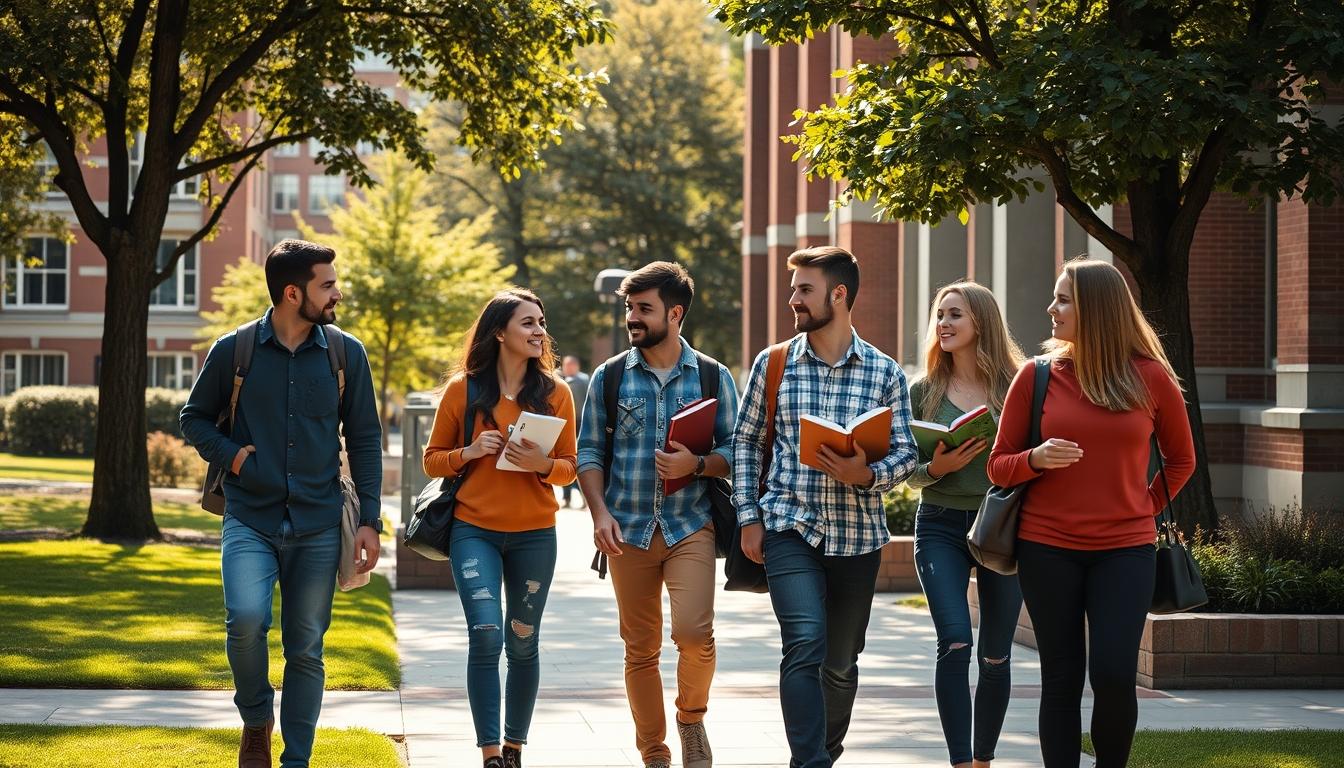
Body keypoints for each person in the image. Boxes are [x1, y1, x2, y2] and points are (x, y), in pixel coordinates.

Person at [180, 239, 383, 768]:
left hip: (318, 523)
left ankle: (296, 760)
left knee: (305, 647)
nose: (338, 293)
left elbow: (363, 438)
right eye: (328, 284)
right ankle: (255, 719)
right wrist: (236, 458)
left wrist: (370, 521)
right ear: (293, 293)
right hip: (250, 516)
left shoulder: (345, 353)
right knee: (245, 619)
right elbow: (193, 418)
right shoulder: (235, 350)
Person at [987, 257, 1195, 768]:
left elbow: (1181, 460)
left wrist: (1139, 507)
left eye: (1063, 299)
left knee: (1114, 673)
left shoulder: (1151, 378)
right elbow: (998, 466)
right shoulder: (1035, 377)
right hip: (1046, 548)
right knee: (1061, 674)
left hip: (1125, 551)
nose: (1050, 308)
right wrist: (1034, 460)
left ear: (1096, 309)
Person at [732, 246, 918, 768]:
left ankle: (823, 753)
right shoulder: (774, 365)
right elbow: (745, 443)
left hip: (858, 536)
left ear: (839, 294)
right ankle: (808, 763)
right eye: (794, 289)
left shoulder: (884, 373)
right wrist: (749, 516)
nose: (793, 298)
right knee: (804, 642)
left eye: (803, 289)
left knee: (840, 663)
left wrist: (868, 475)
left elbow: (906, 454)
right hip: (790, 525)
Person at [577, 261, 738, 768]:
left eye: (643, 309)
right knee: (640, 648)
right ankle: (654, 752)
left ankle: (691, 719)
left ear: (675, 312)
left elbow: (740, 449)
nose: (633, 318)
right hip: (627, 531)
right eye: (629, 307)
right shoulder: (609, 378)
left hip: (691, 524)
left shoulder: (712, 375)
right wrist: (599, 515)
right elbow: (588, 456)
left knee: (694, 634)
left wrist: (700, 463)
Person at [422, 289, 578, 768]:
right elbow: (432, 461)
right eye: (527, 323)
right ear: (499, 332)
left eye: (541, 322)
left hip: (535, 534)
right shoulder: (462, 391)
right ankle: (490, 752)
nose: (539, 331)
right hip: (475, 531)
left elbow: (571, 466)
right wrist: (468, 453)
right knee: (487, 635)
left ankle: (514, 747)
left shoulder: (556, 393)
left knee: (523, 640)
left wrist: (541, 463)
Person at [907, 282, 1025, 768]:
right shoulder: (922, 391)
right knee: (956, 641)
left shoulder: (1018, 386)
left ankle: (984, 760)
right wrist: (938, 468)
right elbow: (903, 471)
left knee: (996, 655)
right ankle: (959, 762)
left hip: (1000, 525)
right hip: (939, 524)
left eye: (955, 314)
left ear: (982, 322)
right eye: (940, 315)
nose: (944, 324)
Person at [560, 355, 590, 508]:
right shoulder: (560, 381)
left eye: (571, 365)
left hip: (580, 422)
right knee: (564, 459)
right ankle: (566, 498)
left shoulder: (584, 380)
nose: (568, 368)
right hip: (564, 423)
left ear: (577, 366)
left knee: (577, 460)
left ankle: (584, 498)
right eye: (566, 365)